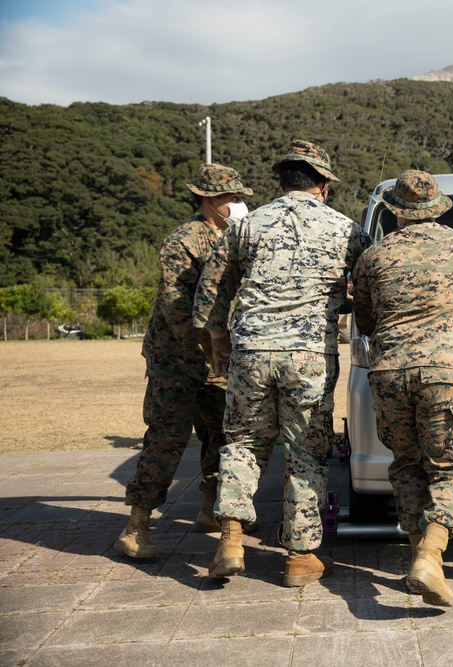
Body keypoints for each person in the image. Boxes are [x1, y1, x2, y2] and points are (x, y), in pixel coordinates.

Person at [193, 140, 373, 586]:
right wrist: (338, 303)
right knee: (306, 453)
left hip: (251, 351)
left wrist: (220, 343)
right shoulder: (347, 230)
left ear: (280, 182)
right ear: (324, 186)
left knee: (242, 444)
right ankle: (299, 557)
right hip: (309, 356)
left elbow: (210, 292)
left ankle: (231, 540)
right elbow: (371, 287)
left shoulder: (247, 225)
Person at [351, 170, 453, 608]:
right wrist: (450, 332)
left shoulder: (374, 255)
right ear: (438, 207)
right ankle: (431, 556)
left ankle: (418, 555)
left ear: (396, 211)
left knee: (407, 463)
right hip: (445, 370)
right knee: (452, 466)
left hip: (389, 370)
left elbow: (366, 320)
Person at [115, 163, 253, 560]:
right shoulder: (184, 240)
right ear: (209, 200)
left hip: (215, 358)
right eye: (233, 198)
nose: (240, 204)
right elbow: (176, 306)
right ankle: (136, 527)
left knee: (221, 434)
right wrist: (208, 344)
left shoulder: (233, 237)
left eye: (241, 197)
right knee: (167, 438)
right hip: (178, 358)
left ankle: (211, 511)